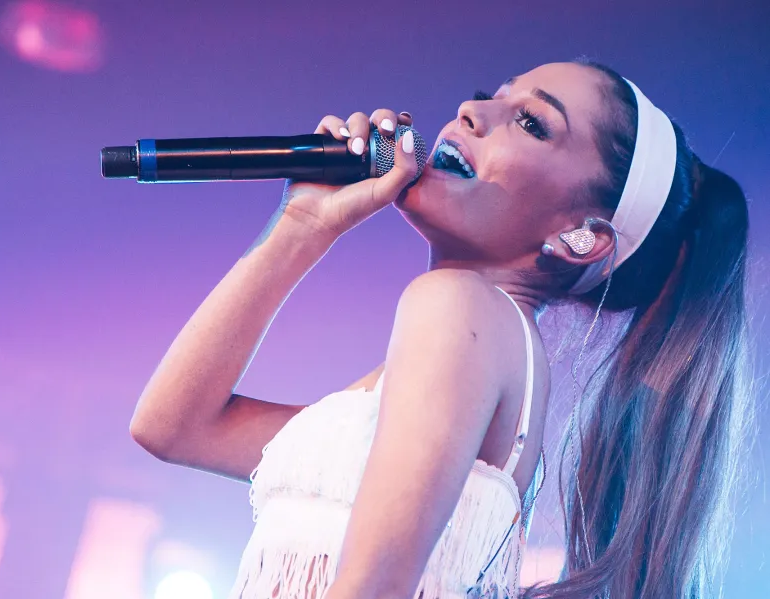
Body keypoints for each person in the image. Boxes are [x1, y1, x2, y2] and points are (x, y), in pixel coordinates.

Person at [129, 60, 753, 599]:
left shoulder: (461, 308)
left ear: (580, 237)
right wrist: (301, 225)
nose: (472, 110)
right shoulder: (472, 334)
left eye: (532, 122)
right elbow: (176, 428)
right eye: (492, 94)